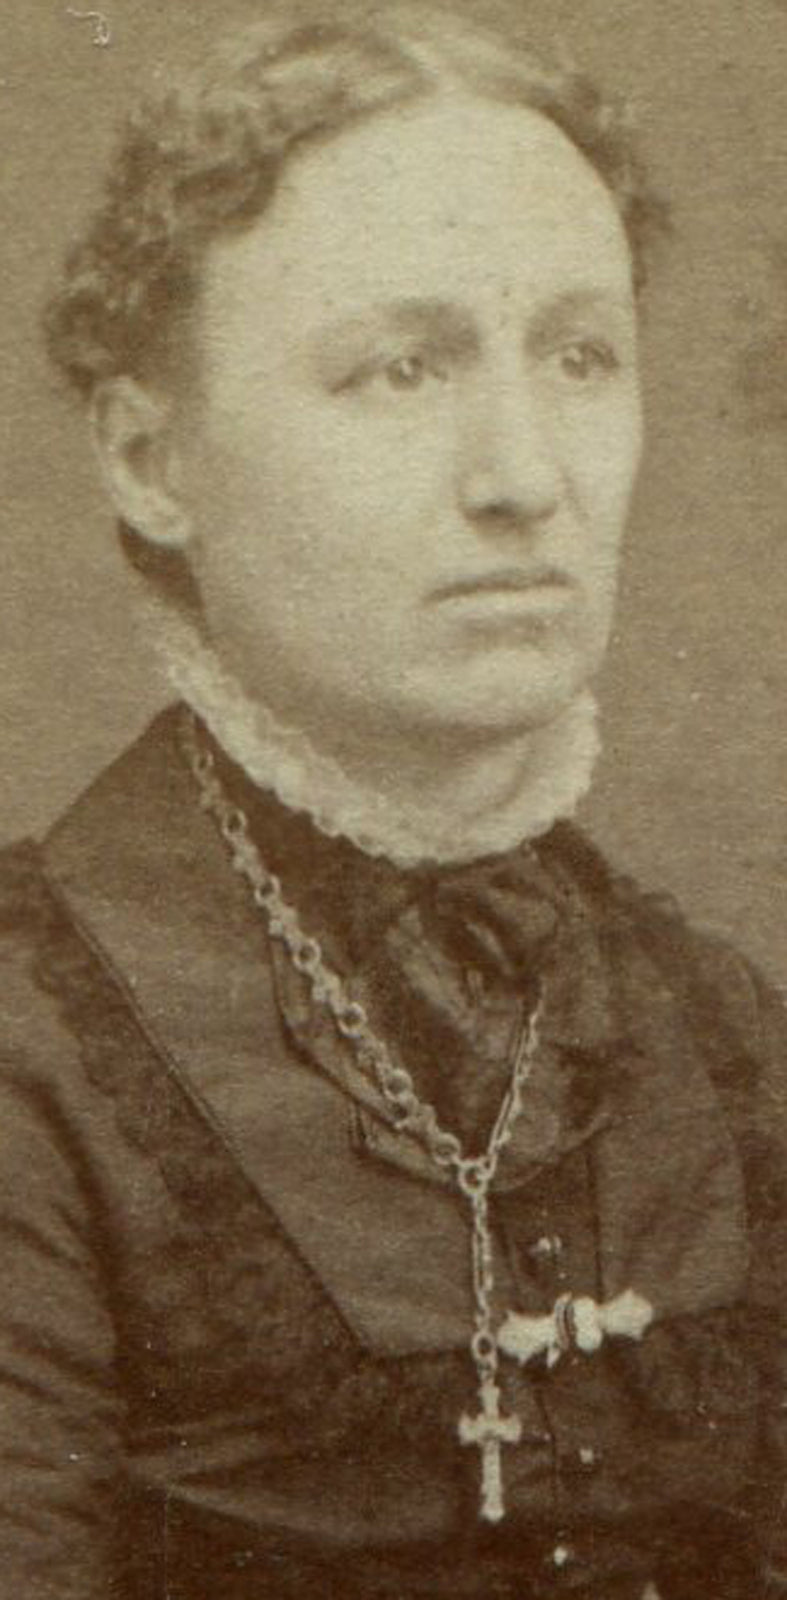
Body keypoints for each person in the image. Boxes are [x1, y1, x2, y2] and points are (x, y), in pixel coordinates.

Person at [2, 3, 786, 1596]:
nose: (521, 473)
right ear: (154, 460)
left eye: (579, 355)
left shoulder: (717, 1024)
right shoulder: (34, 1059)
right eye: (399, 368)